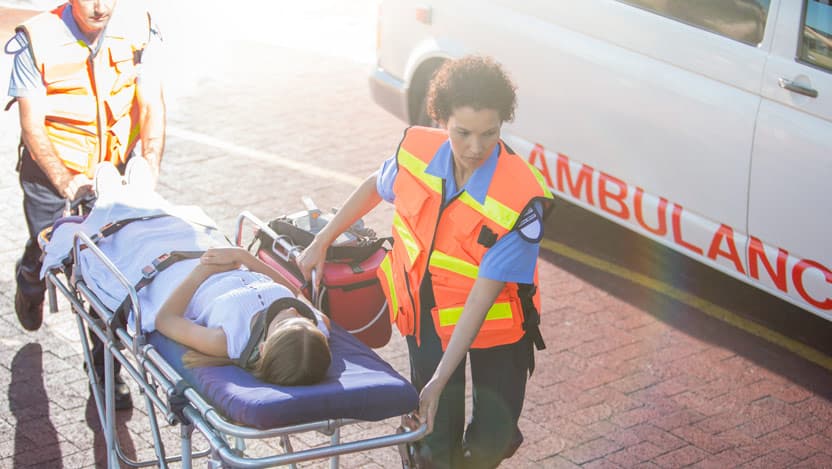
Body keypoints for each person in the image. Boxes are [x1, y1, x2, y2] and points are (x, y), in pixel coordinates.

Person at [297, 56, 553, 468]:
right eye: (462, 132)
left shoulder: (522, 198)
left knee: (492, 440)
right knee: (435, 439)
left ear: (503, 124)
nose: (475, 147)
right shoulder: (417, 151)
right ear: (441, 118)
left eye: (490, 133)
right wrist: (323, 241)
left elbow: (483, 294)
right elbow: (375, 185)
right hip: (426, 313)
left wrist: (438, 378)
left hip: (495, 324)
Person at [6, 0, 166, 408]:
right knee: (47, 246)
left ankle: (103, 369)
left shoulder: (139, 28)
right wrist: (68, 182)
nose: (98, 6)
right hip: (51, 170)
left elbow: (151, 104)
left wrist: (149, 165)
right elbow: (32, 125)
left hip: (110, 168)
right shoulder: (36, 39)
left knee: (101, 270)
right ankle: (29, 279)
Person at [48, 161, 333, 386]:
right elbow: (294, 294)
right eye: (296, 317)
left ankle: (111, 200)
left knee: (144, 240)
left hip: (179, 277)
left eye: (284, 322)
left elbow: (165, 320)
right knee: (182, 226)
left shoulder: (227, 342)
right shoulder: (315, 326)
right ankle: (141, 193)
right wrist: (244, 256)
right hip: (228, 261)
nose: (289, 312)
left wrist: (202, 272)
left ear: (265, 346)